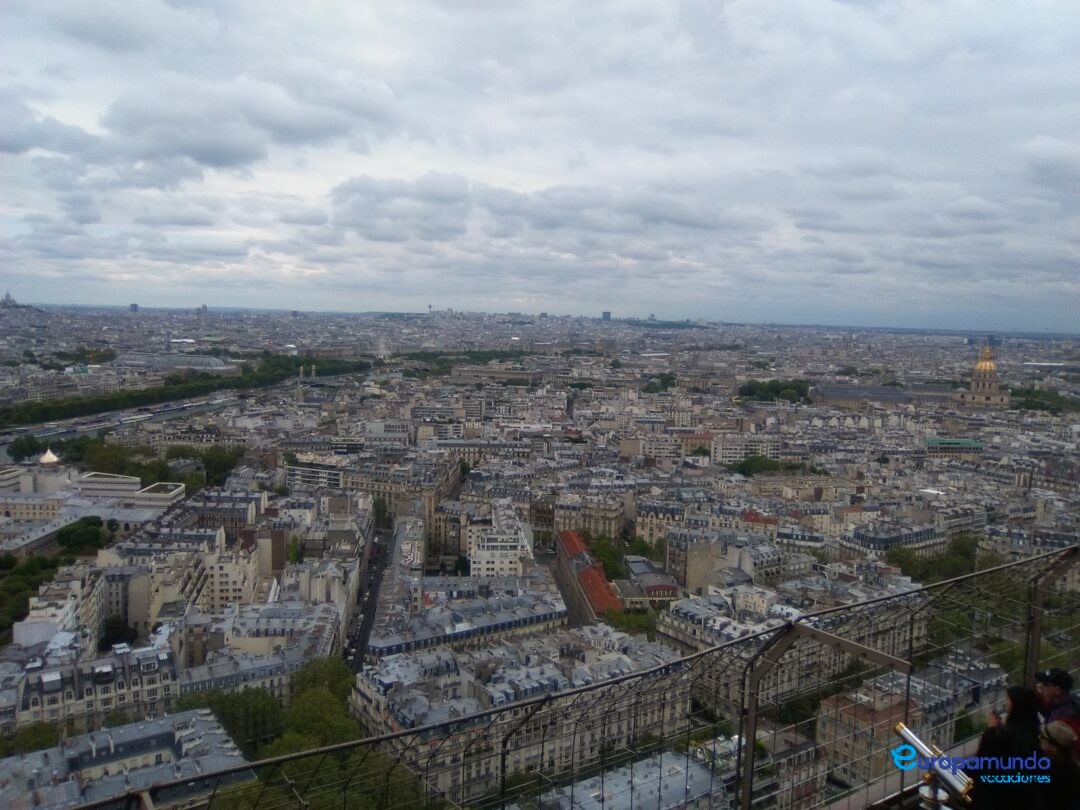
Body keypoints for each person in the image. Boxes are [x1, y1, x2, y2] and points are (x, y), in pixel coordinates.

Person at [970, 686, 1046, 809]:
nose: (1005, 701)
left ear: (1016, 703)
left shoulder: (1009, 734)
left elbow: (992, 756)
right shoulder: (1031, 727)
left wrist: (993, 730)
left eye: (1008, 698)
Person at [1035, 668, 1080, 755]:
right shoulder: (1062, 700)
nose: (1040, 686)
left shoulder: (1066, 719)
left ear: (1057, 690)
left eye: (1045, 684)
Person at [1038, 721, 1080, 810]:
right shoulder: (1073, 768)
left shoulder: (1053, 775)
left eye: (1042, 737)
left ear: (1053, 747)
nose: (1039, 737)